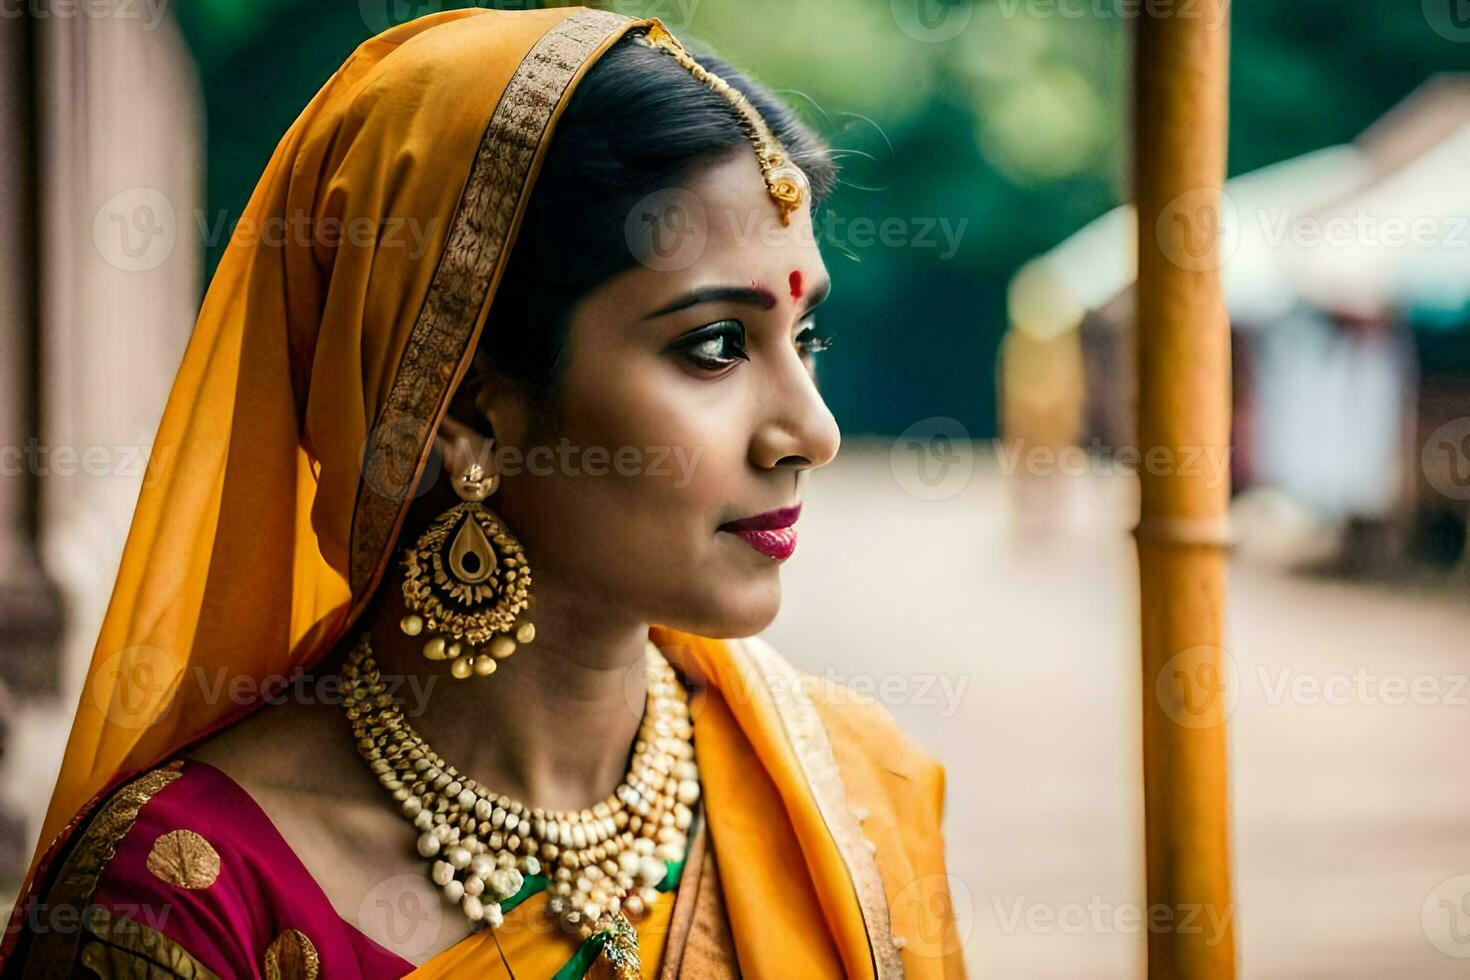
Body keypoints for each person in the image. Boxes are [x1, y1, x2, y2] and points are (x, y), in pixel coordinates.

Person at [1, 7, 963, 977]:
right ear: (463, 405)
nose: (815, 432)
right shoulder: (184, 900)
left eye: (807, 338)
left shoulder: (845, 798)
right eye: (715, 345)